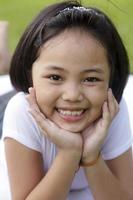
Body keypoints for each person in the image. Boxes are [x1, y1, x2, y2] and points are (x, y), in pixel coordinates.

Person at [2, 1, 133, 200]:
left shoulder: (111, 108)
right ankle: (4, 62)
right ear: (30, 74)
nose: (72, 95)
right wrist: (69, 153)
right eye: (55, 77)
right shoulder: (21, 111)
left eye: (90, 79)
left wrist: (92, 157)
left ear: (111, 79)